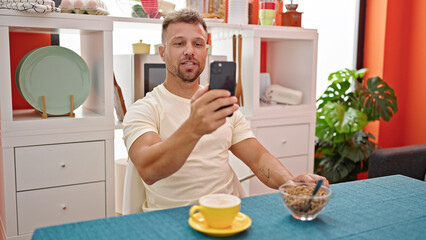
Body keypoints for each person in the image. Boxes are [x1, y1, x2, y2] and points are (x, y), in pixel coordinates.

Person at [123, 8, 328, 212]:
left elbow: (258, 158)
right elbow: (149, 170)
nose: (189, 51)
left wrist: (290, 182)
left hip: (227, 213)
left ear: (206, 51)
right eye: (179, 43)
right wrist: (194, 128)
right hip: (171, 219)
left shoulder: (222, 103)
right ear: (162, 53)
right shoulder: (144, 109)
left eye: (198, 44)